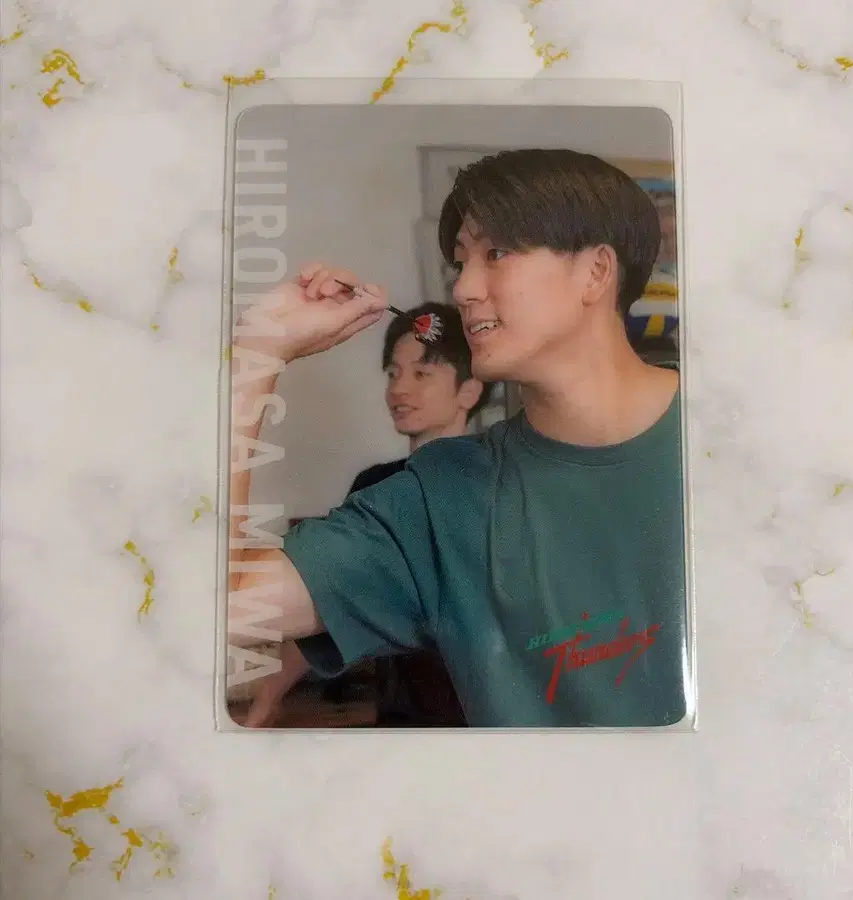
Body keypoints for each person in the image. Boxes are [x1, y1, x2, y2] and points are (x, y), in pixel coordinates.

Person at [229, 148, 688, 728]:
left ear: (596, 272)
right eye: (460, 263)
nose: (464, 289)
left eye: (496, 253)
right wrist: (257, 352)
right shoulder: (441, 498)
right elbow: (227, 604)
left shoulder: (736, 434)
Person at [327, 304, 492, 726]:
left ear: (469, 391)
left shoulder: (496, 484)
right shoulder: (373, 486)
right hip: (399, 719)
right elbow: (330, 593)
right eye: (393, 373)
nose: (399, 389)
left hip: (482, 721)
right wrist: (267, 697)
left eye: (421, 374)